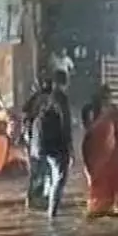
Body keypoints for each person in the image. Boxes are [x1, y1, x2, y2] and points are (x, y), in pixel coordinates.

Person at [81, 85, 118, 218]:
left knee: (100, 181)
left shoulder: (91, 111)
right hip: (112, 153)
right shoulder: (112, 111)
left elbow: (88, 133)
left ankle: (99, 208)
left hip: (97, 153)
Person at [30, 70, 72, 218]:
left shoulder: (43, 98)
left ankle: (38, 205)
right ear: (65, 82)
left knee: (46, 175)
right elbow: (65, 123)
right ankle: (52, 213)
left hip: (40, 145)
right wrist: (69, 147)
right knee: (59, 178)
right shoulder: (60, 98)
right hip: (56, 146)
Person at [23, 77, 53, 209]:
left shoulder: (34, 98)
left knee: (36, 171)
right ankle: (37, 199)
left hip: (32, 140)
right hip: (39, 140)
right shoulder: (46, 100)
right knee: (42, 171)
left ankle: (33, 199)